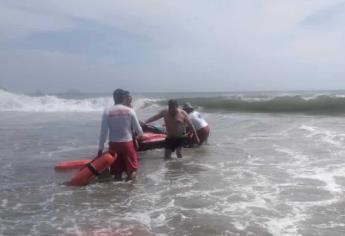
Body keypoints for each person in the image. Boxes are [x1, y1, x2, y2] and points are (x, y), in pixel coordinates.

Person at [98, 89, 143, 181]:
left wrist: (100, 148)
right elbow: (138, 130)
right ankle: (131, 191)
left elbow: (103, 132)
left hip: (113, 145)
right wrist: (140, 136)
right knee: (132, 170)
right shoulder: (130, 110)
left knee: (117, 173)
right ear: (123, 98)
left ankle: (118, 192)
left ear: (114, 98)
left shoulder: (107, 111)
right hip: (127, 143)